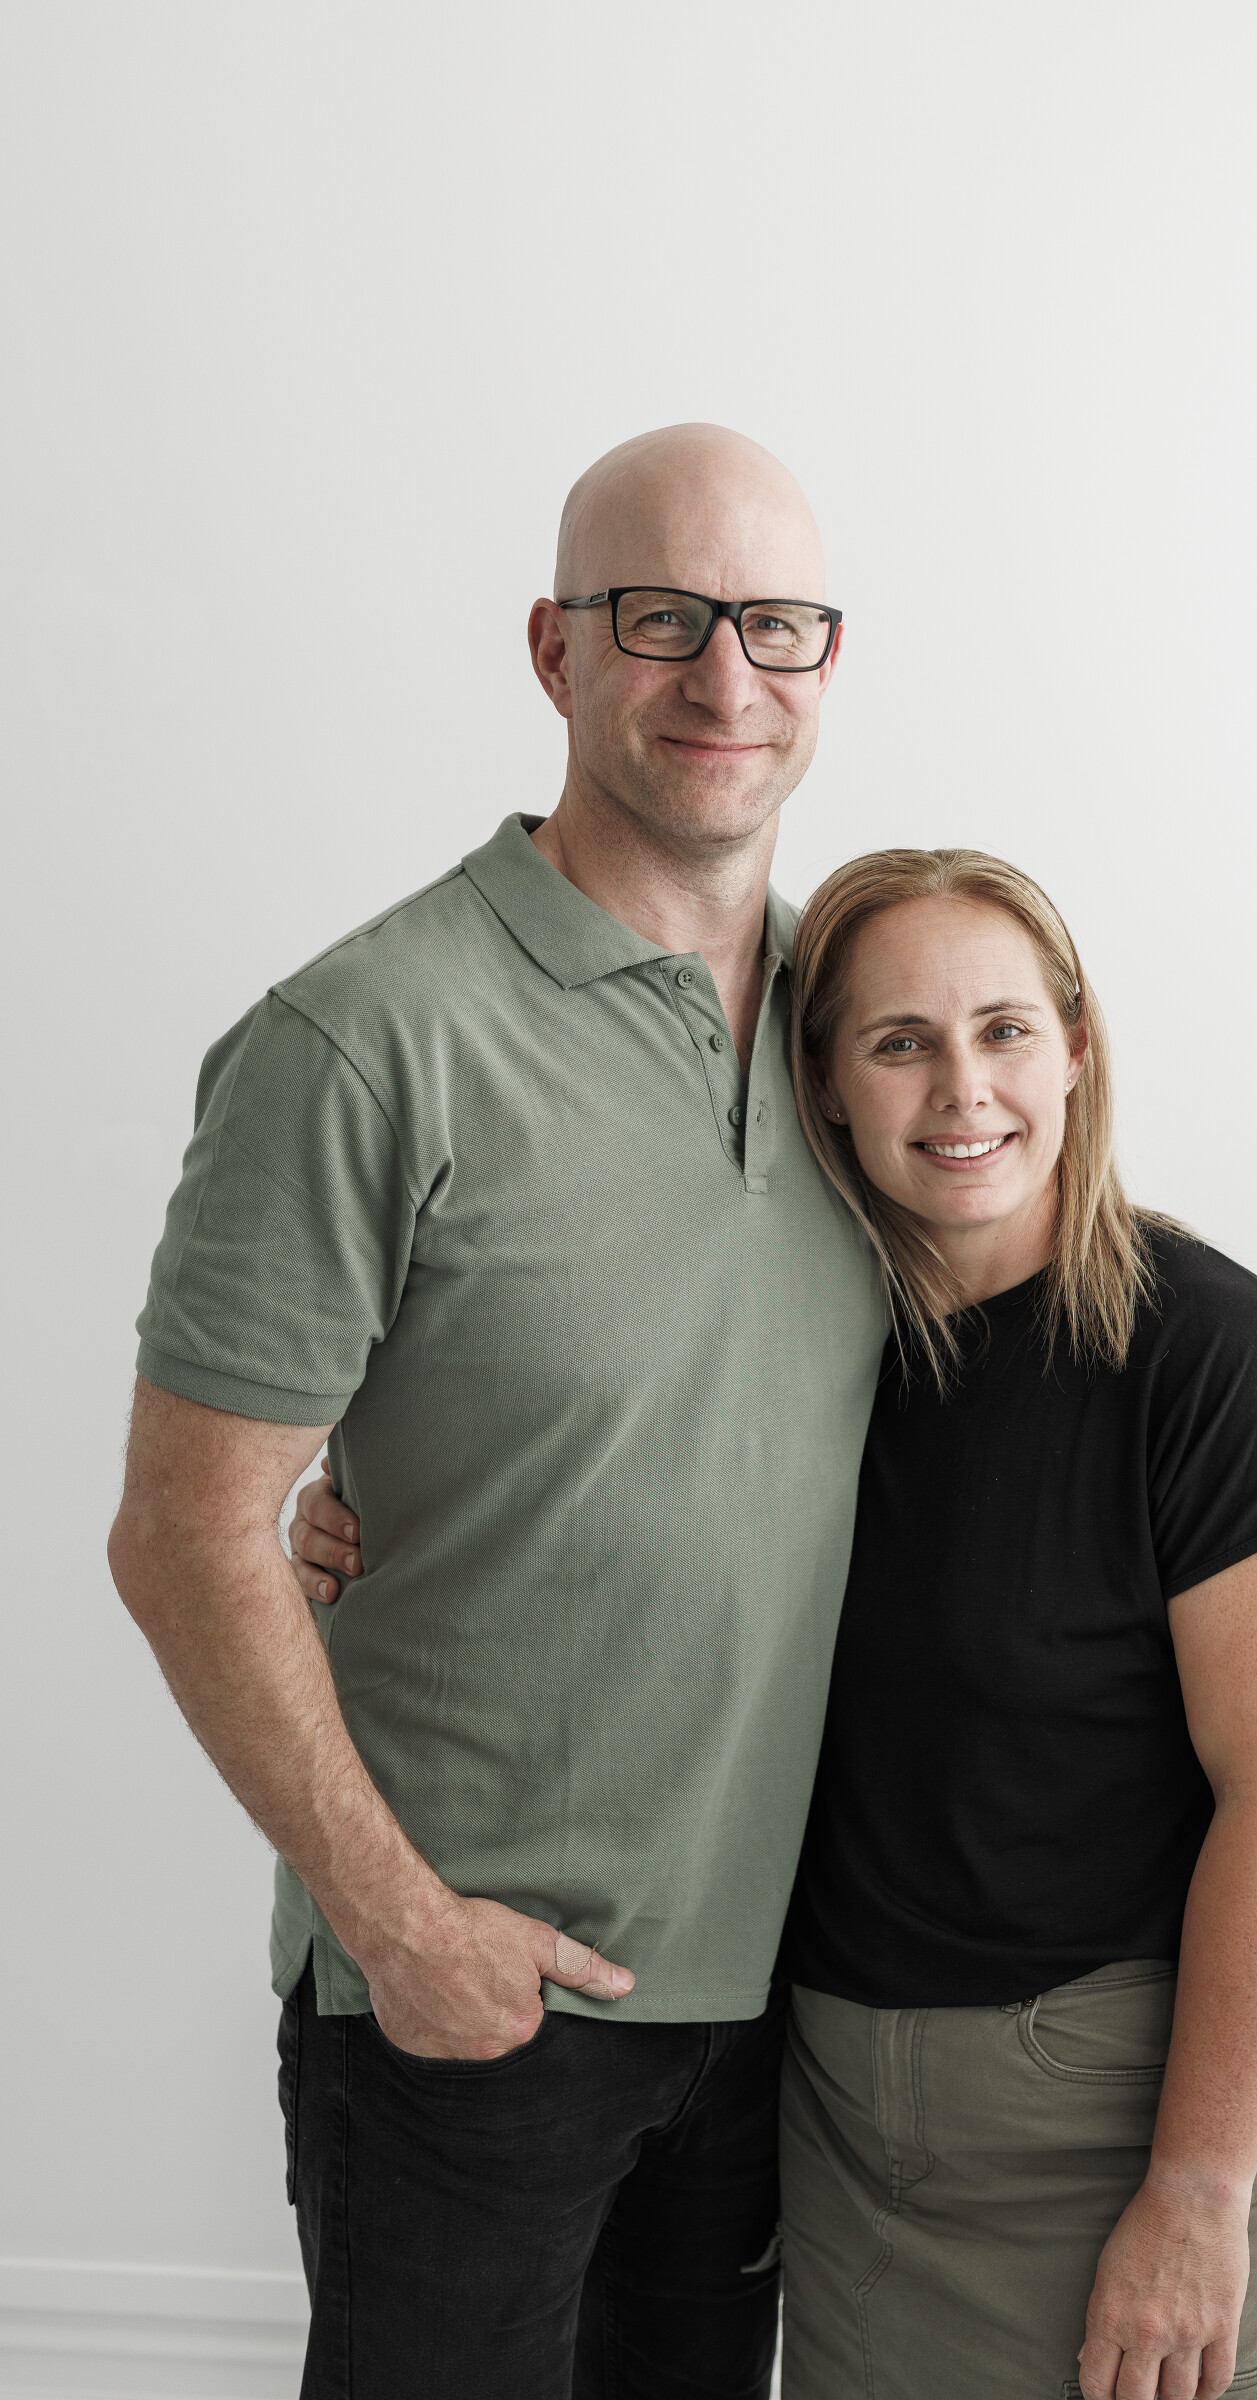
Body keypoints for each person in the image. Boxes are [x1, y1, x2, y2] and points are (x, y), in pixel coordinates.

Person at [295, 846, 1257, 2400]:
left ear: (1076, 1049)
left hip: (1100, 2113)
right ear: (821, 1084)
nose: (961, 1089)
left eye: (1004, 1030)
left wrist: (1197, 2193)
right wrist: (359, 1516)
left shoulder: (1206, 1355)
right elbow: (599, 1510)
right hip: (828, 2116)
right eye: (898, 1041)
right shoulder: (812, 1336)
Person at [107, 423, 887, 2400]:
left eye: (775, 625)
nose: (725, 676)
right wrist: (399, 1929)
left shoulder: (861, 1038)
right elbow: (182, 1532)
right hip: (468, 2012)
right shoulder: (363, 1038)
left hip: (773, 2011)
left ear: (830, 659)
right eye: (662, 617)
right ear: (555, 649)